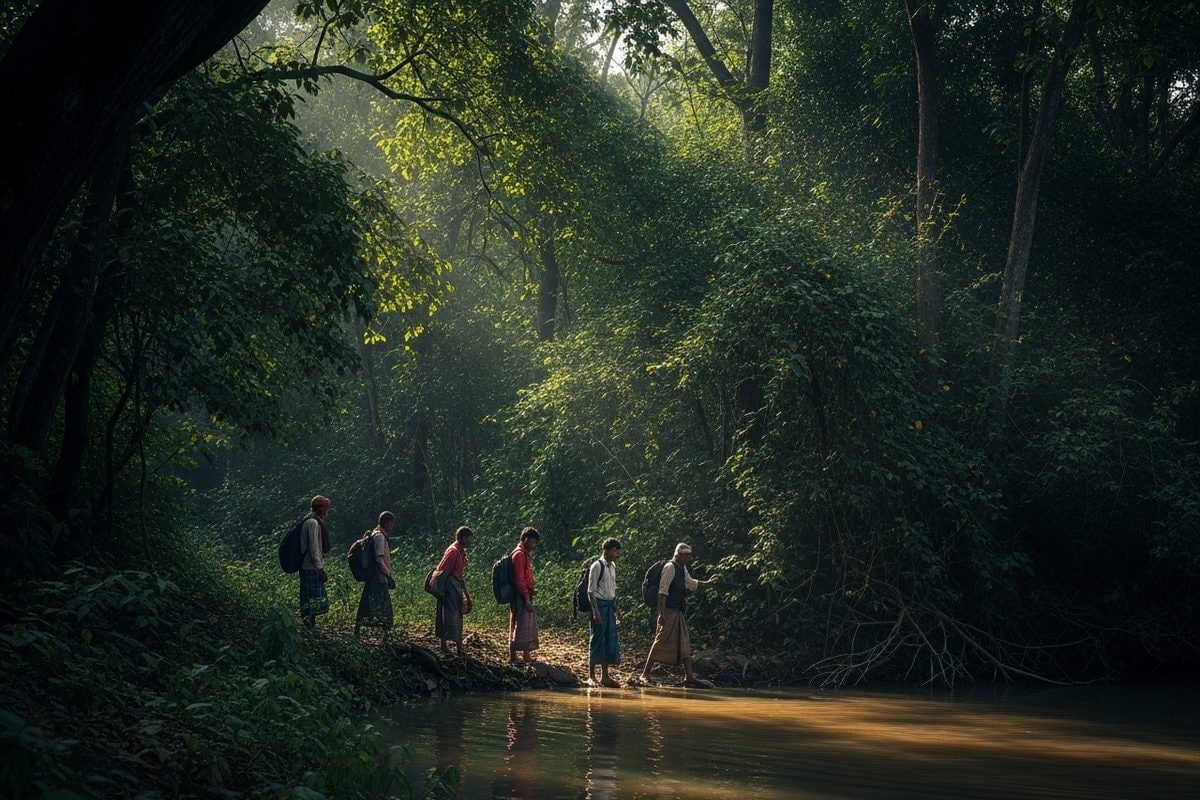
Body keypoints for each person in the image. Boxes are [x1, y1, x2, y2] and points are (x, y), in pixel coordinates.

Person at [637, 542, 718, 687]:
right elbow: (662, 593)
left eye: (689, 556)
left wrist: (708, 583)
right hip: (668, 611)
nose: (688, 559)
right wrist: (661, 614)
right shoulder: (670, 568)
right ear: (678, 555)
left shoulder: (682, 568)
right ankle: (645, 674)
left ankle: (689, 676)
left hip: (678, 611)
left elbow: (691, 583)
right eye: (686, 556)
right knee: (660, 641)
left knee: (685, 643)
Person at [433, 525, 474, 657]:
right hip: (449, 586)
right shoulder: (453, 551)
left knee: (458, 615)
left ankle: (458, 647)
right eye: (469, 538)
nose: (470, 541)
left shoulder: (461, 551)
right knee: (448, 616)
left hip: (456, 586)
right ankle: (444, 646)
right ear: (462, 537)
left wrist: (467, 594)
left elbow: (460, 574)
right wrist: (441, 591)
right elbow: (443, 571)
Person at [354, 510, 397, 638]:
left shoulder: (376, 534)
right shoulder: (379, 536)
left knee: (368, 603)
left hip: (375, 576)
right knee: (383, 606)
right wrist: (388, 574)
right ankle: (385, 635)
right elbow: (379, 558)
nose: (392, 526)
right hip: (378, 577)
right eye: (392, 523)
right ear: (387, 523)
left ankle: (358, 629)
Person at [587, 538, 623, 687]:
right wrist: (595, 611)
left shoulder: (612, 566)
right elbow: (591, 591)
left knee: (608, 640)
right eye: (615, 550)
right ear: (606, 550)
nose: (616, 554)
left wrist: (617, 610)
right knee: (596, 639)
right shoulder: (597, 566)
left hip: (609, 606)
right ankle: (591, 676)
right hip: (599, 606)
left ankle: (605, 676)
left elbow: (612, 591)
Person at [299, 495, 332, 629]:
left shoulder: (309, 520)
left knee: (311, 601)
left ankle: (310, 627)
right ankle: (309, 628)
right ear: (321, 509)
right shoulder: (312, 523)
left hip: (309, 566)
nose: (327, 512)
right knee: (311, 602)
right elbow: (314, 548)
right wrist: (320, 569)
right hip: (310, 567)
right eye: (325, 508)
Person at [509, 526, 540, 664]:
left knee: (522, 622)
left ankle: (523, 655)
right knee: (519, 622)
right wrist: (526, 598)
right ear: (526, 540)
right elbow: (519, 579)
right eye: (533, 542)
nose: (534, 546)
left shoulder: (524, 554)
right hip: (520, 594)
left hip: (523, 593)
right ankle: (514, 657)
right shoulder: (519, 554)